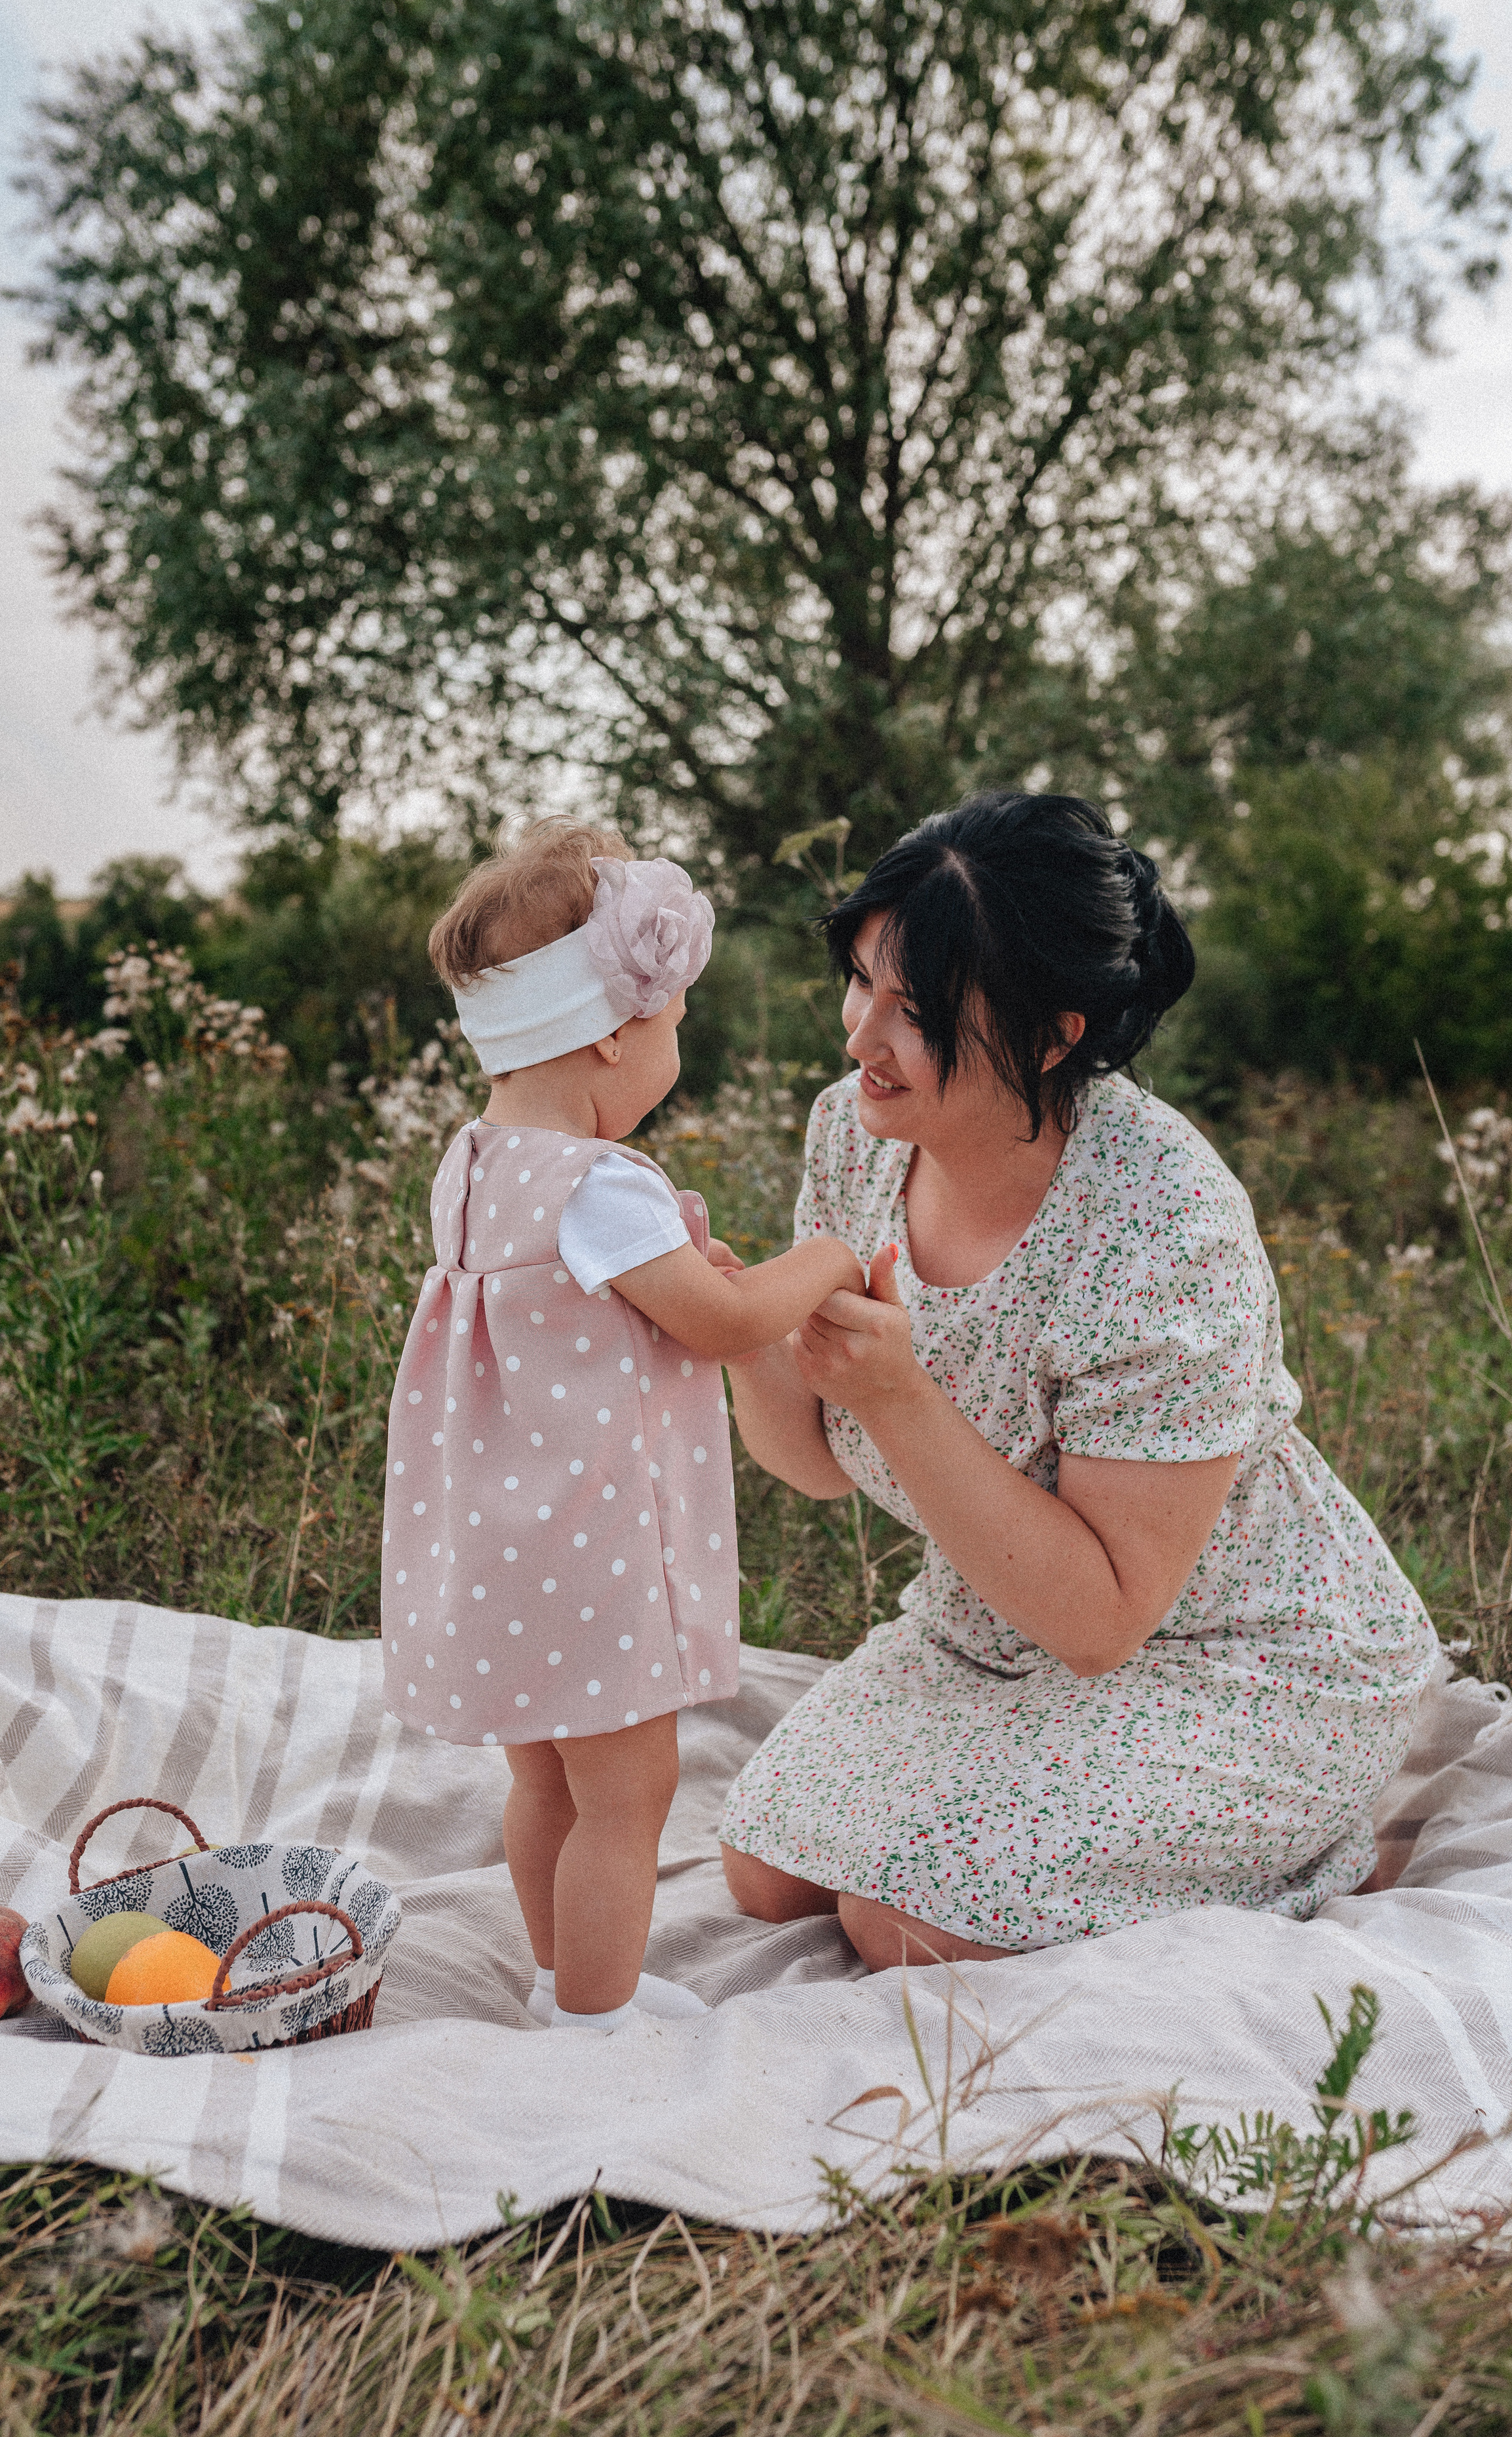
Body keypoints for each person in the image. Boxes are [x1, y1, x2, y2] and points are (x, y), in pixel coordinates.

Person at [718, 790, 1443, 1968]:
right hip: (991, 1626)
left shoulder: (1165, 1222)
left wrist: (902, 1396)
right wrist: (745, 1333)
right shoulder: (855, 1133)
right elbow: (812, 1469)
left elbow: (1105, 1619)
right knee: (765, 1872)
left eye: (917, 1011)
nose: (860, 1039)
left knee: (901, 1921)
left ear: (1053, 1035)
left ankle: (1309, 1847)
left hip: (1231, 1652)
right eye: (860, 981)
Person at [381, 818, 865, 2031]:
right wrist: (830, 1257)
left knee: (543, 1776)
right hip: (587, 1551)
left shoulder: (475, 1163)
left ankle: (557, 1978)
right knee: (631, 1793)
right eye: (673, 1022)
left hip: (500, 1543)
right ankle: (596, 2020)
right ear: (610, 1032)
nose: (675, 1046)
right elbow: (723, 1320)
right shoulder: (600, 1187)